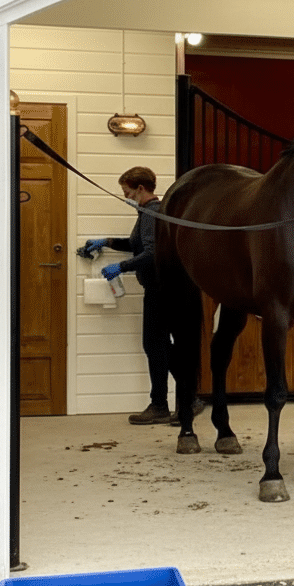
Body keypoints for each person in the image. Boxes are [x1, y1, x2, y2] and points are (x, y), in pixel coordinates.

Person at [82, 166, 203, 425]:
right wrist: (108, 241)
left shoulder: (151, 212)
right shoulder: (149, 213)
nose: (125, 196)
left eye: (127, 191)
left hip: (162, 288)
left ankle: (170, 401)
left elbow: (152, 253)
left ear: (140, 188)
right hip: (163, 288)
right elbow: (139, 244)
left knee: (155, 345)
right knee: (158, 345)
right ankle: (185, 396)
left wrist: (121, 267)